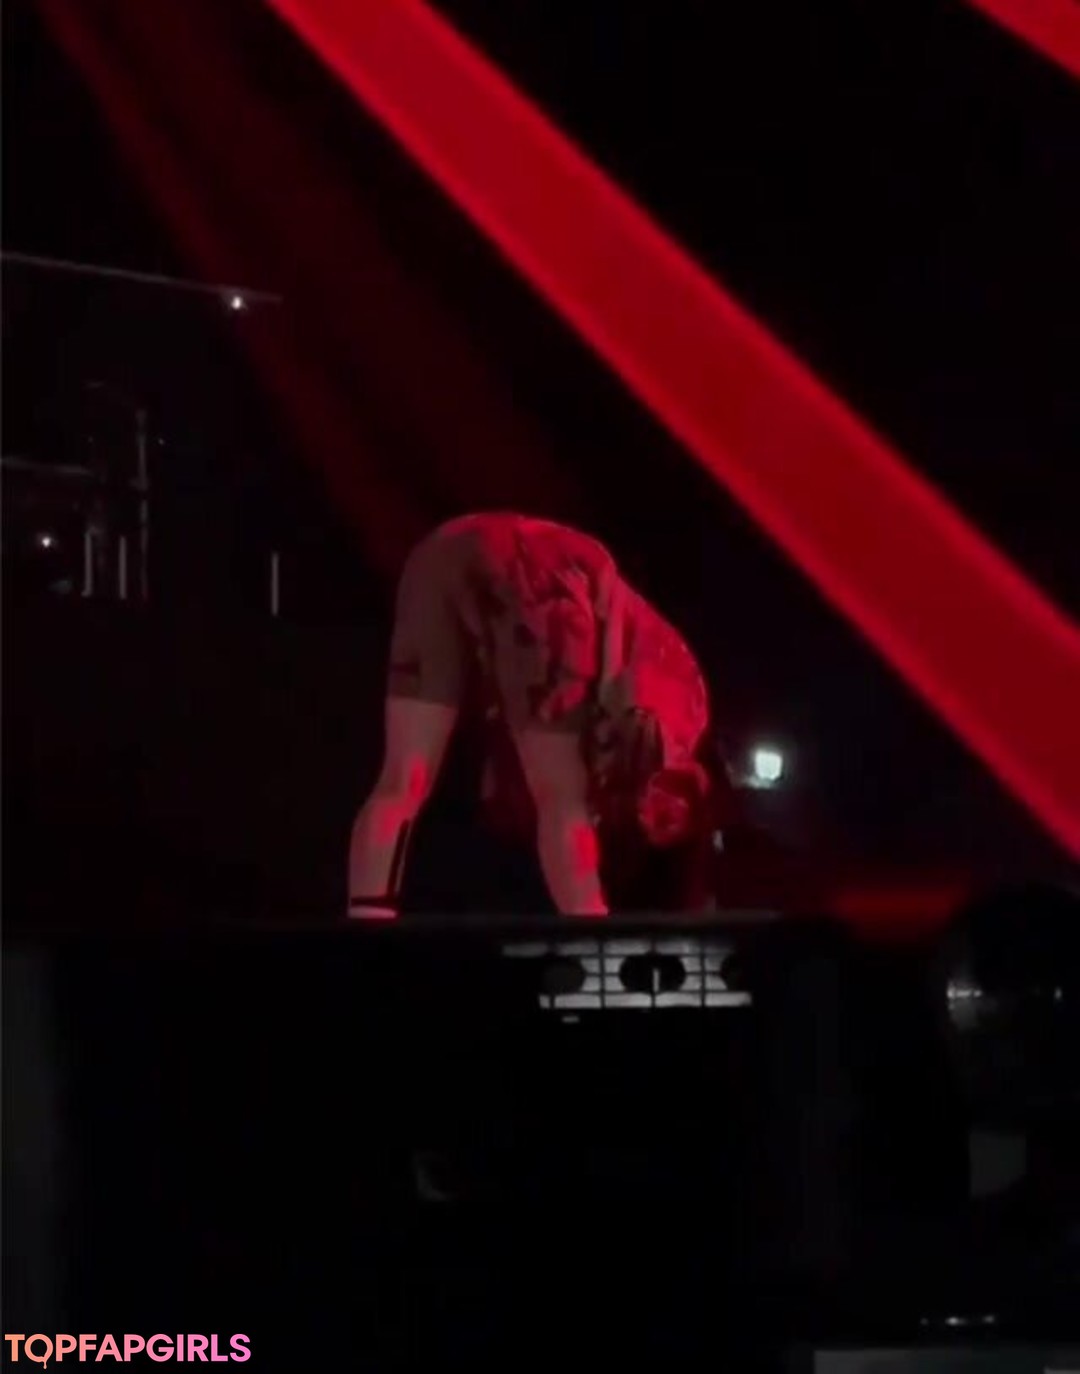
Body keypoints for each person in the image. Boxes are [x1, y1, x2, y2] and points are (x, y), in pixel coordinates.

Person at [346, 512, 714, 918]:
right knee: (563, 796)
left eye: (653, 825)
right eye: (667, 817)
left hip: (443, 551)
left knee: (403, 779)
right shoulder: (685, 713)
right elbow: (636, 726)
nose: (649, 815)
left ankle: (368, 917)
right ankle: (589, 927)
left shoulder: (638, 745)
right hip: (550, 573)